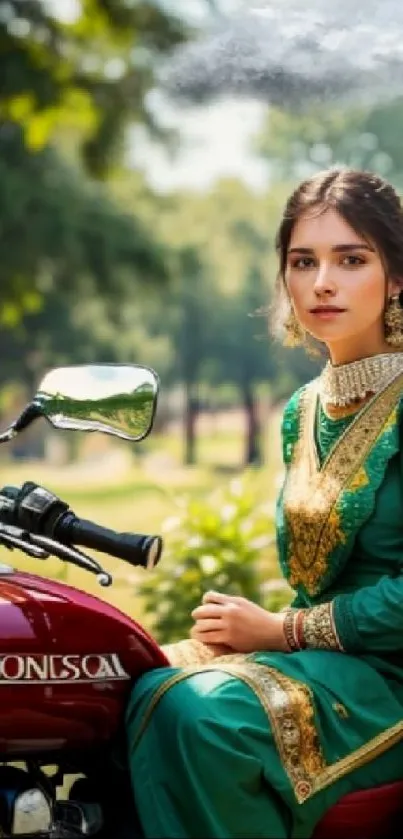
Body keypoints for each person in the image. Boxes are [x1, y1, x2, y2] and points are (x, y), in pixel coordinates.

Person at [125, 167, 403, 838]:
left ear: (395, 276)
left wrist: (281, 631)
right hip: (323, 666)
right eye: (302, 261)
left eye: (350, 259)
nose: (321, 283)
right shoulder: (300, 409)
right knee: (129, 679)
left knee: (206, 717)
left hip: (386, 678)